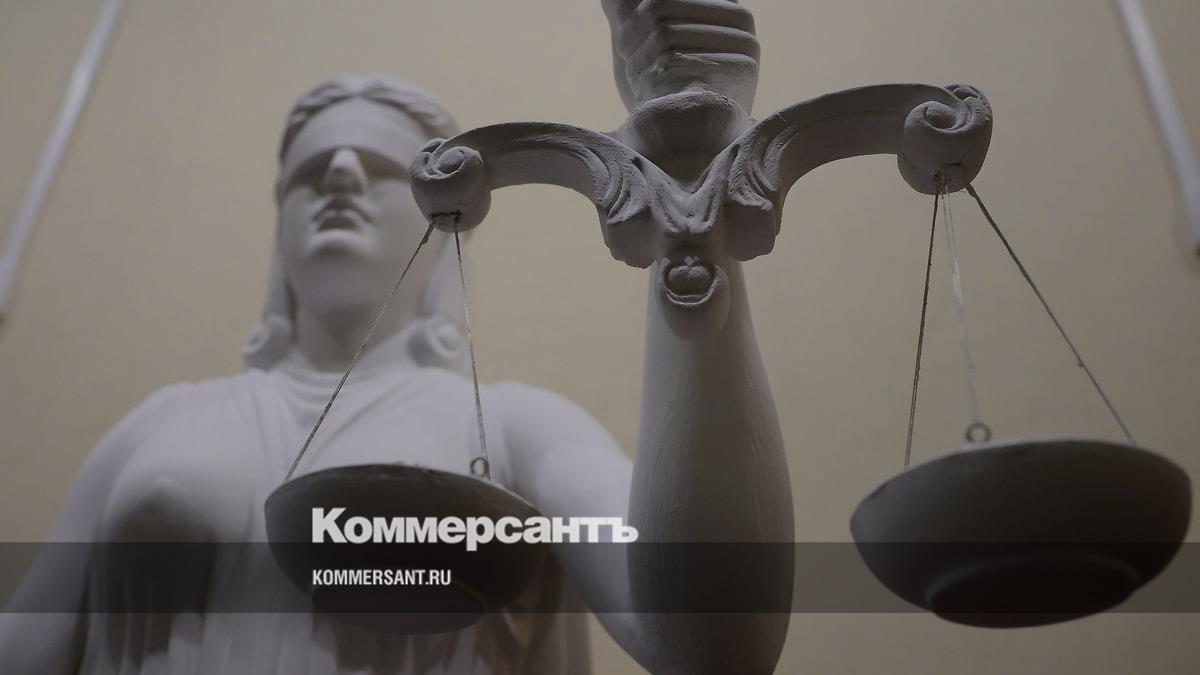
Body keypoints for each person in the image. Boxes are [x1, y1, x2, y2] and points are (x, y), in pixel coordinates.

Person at [2, 3, 791, 673]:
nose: (341, 174)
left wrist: (693, 197)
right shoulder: (159, 423)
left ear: (444, 218)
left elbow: (712, 640)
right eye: (310, 172)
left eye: (379, 166)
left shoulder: (518, 428)